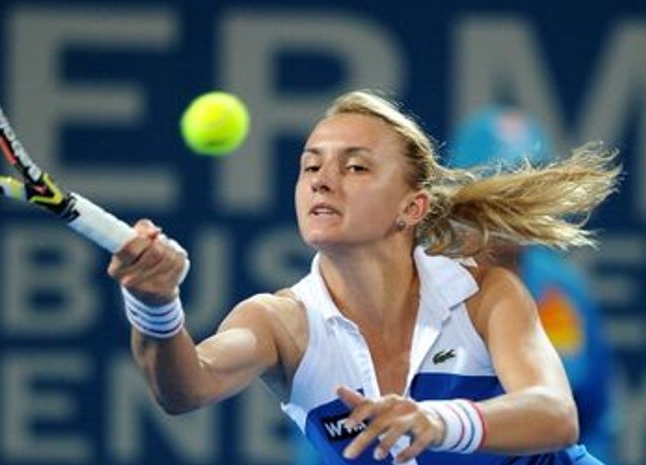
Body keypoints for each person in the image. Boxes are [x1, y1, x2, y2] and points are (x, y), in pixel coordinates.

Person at [108, 90, 620, 464]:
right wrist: (155, 304)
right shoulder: (279, 322)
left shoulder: (484, 294)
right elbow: (184, 389)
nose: (322, 181)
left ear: (411, 207)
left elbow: (557, 414)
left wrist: (438, 421)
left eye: (355, 167)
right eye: (311, 167)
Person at [446, 106, 618, 462]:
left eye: (528, 189)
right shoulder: (419, 285)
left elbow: (596, 415)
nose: (514, 205)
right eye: (498, 186)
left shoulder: (563, 289)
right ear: (461, 193)